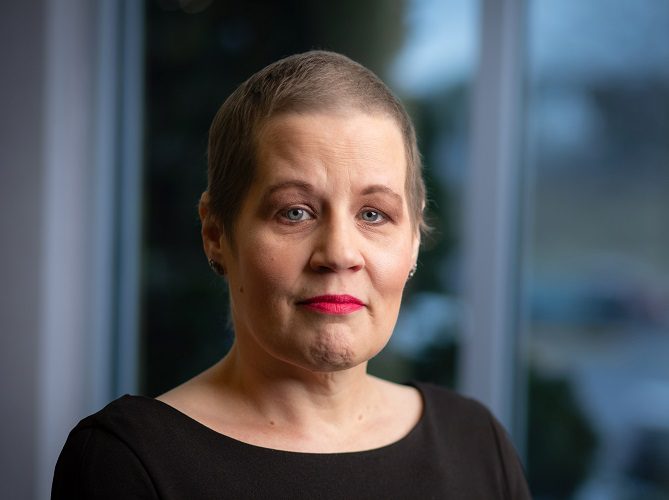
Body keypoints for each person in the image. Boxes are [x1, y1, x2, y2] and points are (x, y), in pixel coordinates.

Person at [52, 50, 531, 499]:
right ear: (216, 234)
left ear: (414, 241)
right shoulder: (128, 462)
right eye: (295, 212)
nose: (339, 253)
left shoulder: (476, 444)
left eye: (373, 215)